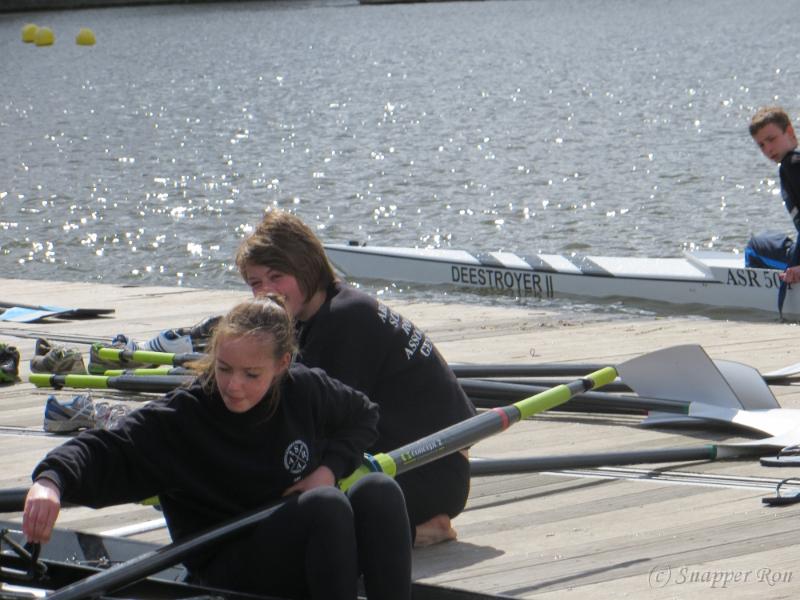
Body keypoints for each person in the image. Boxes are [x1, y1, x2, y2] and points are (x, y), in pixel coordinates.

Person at [23, 295, 411, 600]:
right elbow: (106, 449)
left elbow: (363, 416)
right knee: (326, 507)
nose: (233, 386)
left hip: (293, 541)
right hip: (222, 563)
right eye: (223, 368)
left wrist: (328, 469)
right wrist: (50, 482)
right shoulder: (185, 416)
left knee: (379, 491)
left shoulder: (304, 389)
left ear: (282, 365)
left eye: (251, 374)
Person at [235, 210, 477, 547]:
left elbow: (320, 425)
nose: (266, 292)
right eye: (256, 283)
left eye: (276, 276)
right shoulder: (323, 310)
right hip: (411, 460)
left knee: (300, 520)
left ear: (306, 266)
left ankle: (416, 530)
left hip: (429, 474)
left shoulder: (344, 320)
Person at [749, 106, 800, 284]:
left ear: (790, 132)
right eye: (761, 145)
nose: (768, 149)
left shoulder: (791, 165)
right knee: (767, 239)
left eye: (771, 139)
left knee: (754, 249)